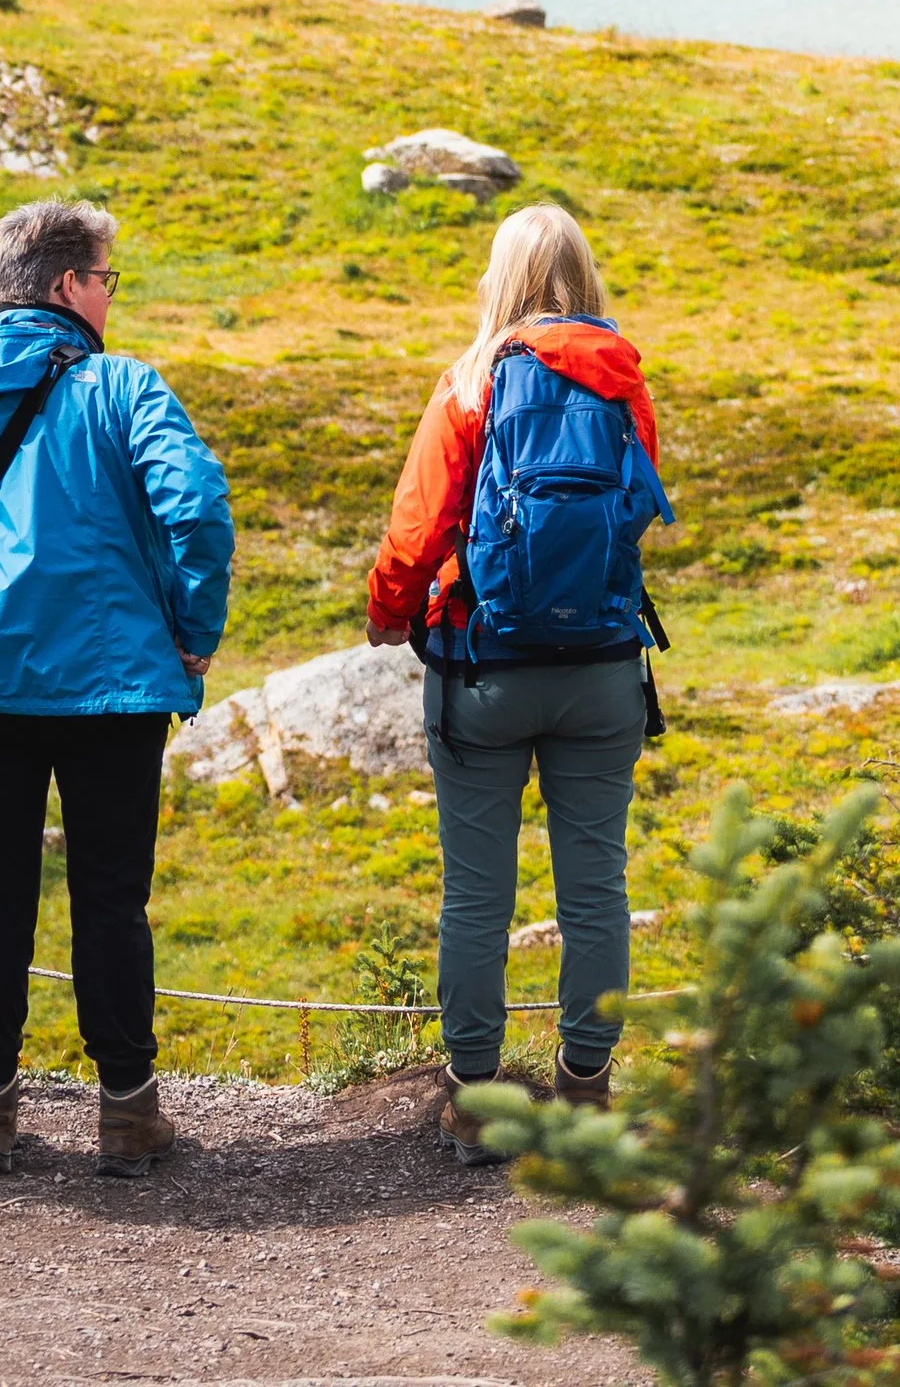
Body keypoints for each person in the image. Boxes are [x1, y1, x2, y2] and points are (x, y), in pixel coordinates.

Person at [0, 196, 232, 1181]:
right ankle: (125, 1110)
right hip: (115, 682)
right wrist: (193, 631)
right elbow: (197, 508)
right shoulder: (126, 388)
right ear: (70, 286)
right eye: (107, 280)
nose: (111, 298)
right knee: (111, 893)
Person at [365, 203, 670, 1153]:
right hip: (603, 669)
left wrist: (387, 612)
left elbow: (417, 533)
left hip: (483, 669)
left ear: (501, 277)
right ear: (584, 273)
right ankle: (585, 1085)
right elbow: (637, 509)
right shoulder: (625, 381)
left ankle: (475, 1098)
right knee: (594, 888)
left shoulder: (470, 382)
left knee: (476, 894)